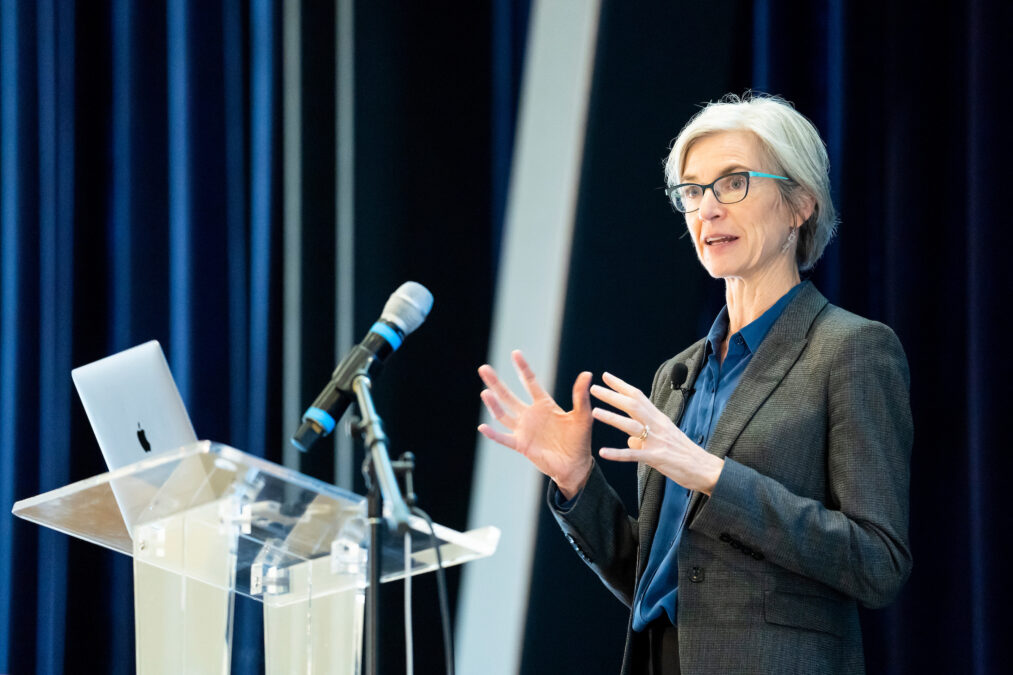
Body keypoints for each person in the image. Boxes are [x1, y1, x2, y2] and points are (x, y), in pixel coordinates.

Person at [476, 93, 912, 674]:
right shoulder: (678, 375)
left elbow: (877, 563)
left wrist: (712, 474)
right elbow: (662, 580)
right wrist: (578, 482)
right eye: (693, 191)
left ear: (799, 204)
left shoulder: (850, 350)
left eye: (733, 183)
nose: (707, 209)